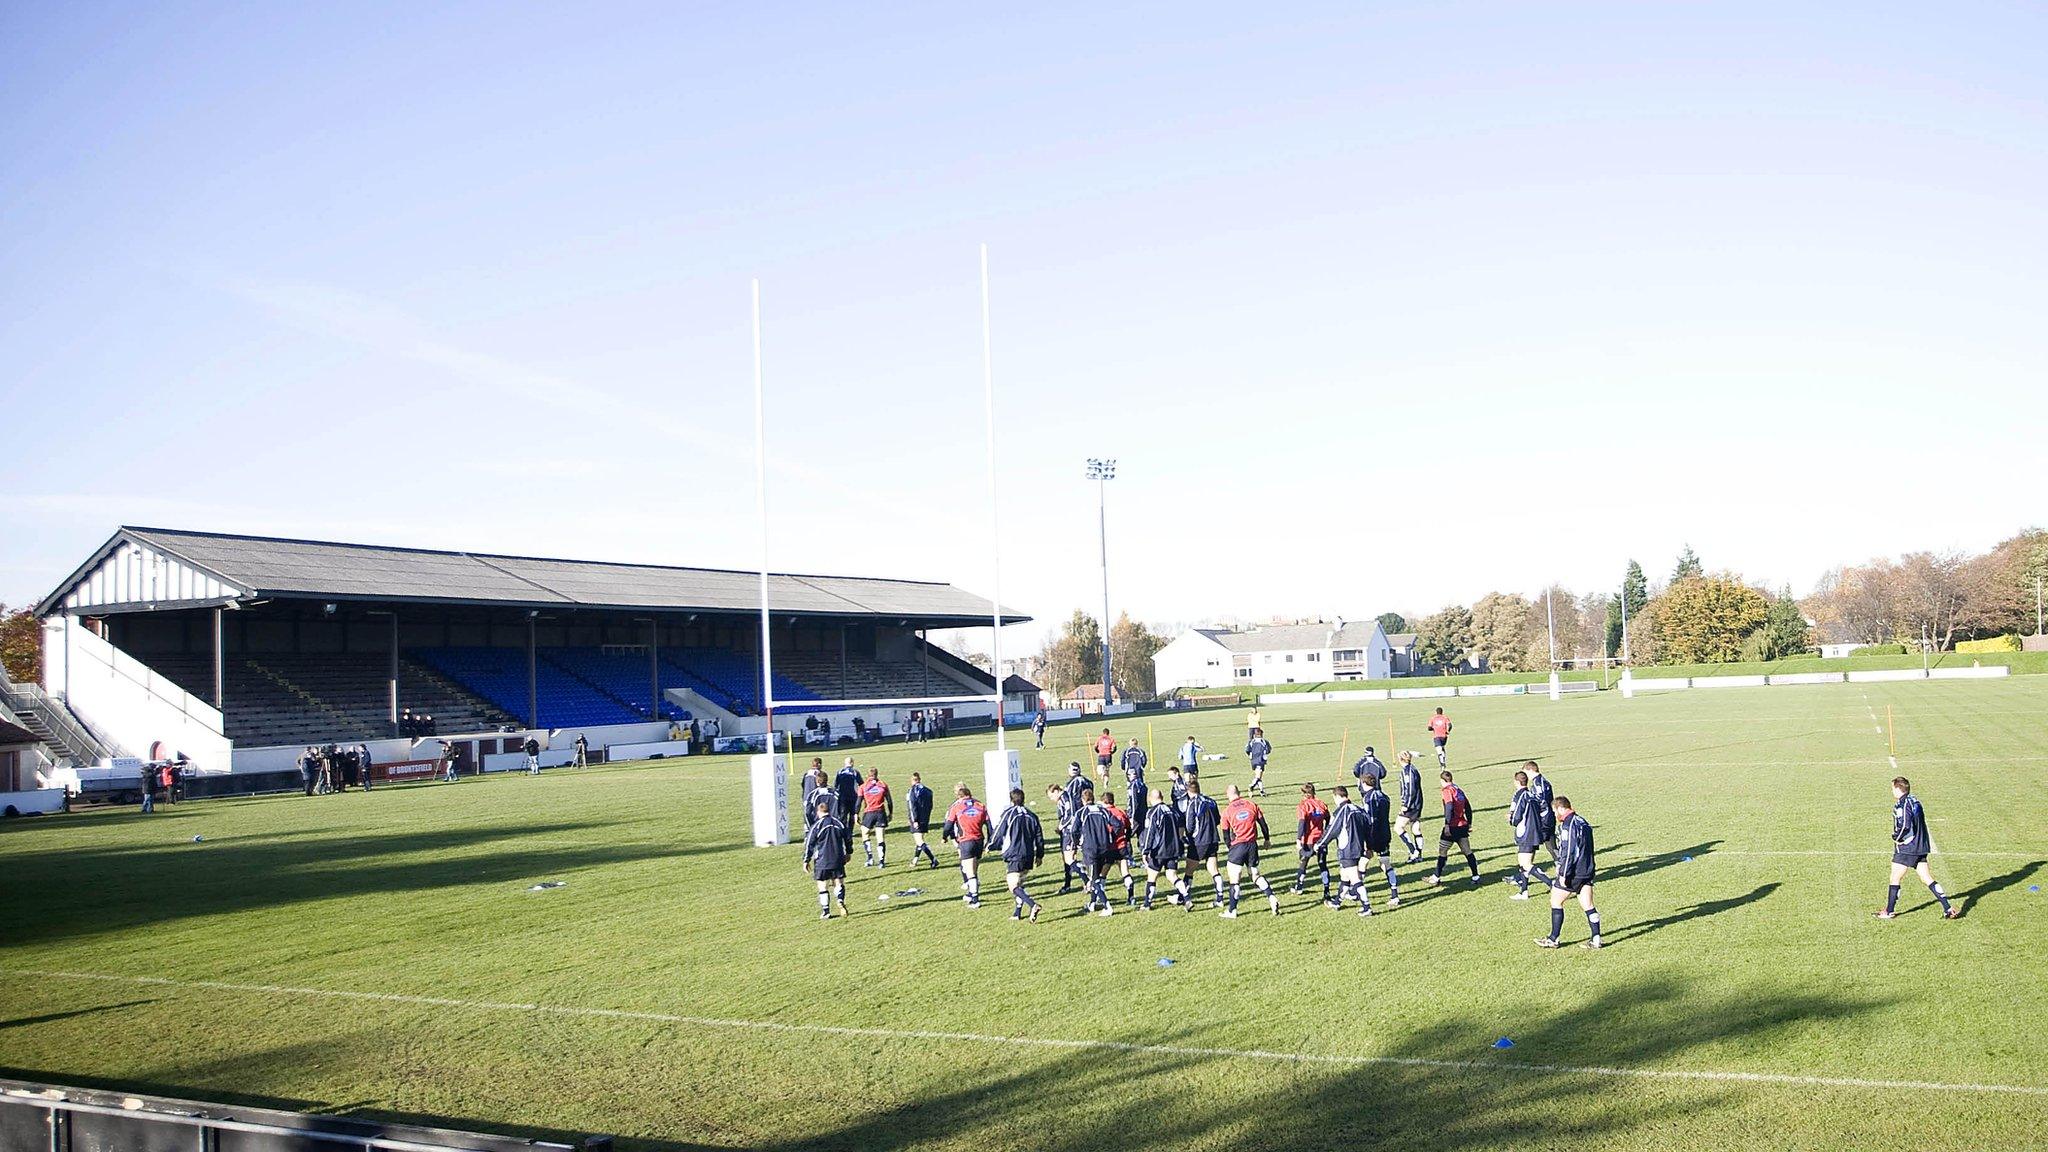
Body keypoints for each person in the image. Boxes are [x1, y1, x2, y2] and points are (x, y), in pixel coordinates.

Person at [1879, 777, 1958, 920]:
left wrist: (1897, 837)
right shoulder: (1915, 800)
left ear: (1898, 789)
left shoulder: (1903, 804)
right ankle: (1948, 907)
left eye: (1892, 788)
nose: (1892, 791)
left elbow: (1905, 825)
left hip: (1908, 847)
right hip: (1921, 845)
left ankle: (1889, 911)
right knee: (1926, 877)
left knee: (1895, 877)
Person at [1538, 795, 1602, 949]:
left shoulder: (1568, 826)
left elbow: (1569, 853)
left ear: (1561, 808)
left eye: (1555, 812)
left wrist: (1564, 875)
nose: (1555, 815)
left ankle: (1553, 938)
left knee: (1556, 900)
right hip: (1587, 869)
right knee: (1588, 905)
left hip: (1574, 872)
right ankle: (1596, 939)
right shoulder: (1582, 821)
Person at [1218, 784, 1280, 918]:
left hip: (1238, 847)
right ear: (1239, 792)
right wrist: (1267, 839)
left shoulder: (1227, 811)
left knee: (1234, 880)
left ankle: (1232, 910)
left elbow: (1226, 836)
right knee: (1255, 876)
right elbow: (1263, 824)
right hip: (1252, 845)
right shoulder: (1251, 804)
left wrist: (1231, 849)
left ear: (1227, 794)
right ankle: (1271, 897)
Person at [988, 787, 1046, 922]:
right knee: (1020, 884)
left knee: (1013, 886)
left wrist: (990, 845)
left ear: (1011, 800)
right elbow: (1039, 837)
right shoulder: (1032, 815)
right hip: (1029, 854)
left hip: (1015, 854)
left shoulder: (1009, 813)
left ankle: (1033, 905)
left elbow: (999, 831)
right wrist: (1040, 855)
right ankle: (1017, 913)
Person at [1071, 788, 1123, 916]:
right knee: (1097, 878)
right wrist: (1110, 837)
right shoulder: (1103, 810)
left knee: (1093, 880)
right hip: (1105, 847)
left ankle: (1107, 906)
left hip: (1090, 849)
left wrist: (1077, 843)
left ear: (1083, 800)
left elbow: (1073, 831)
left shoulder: (1081, 813)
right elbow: (1118, 825)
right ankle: (1092, 904)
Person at [1321, 786, 1370, 915]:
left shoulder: (1341, 811)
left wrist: (1320, 844)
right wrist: (1369, 845)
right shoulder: (1359, 809)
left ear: (1336, 797)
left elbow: (1332, 830)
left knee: (1355, 879)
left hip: (1347, 850)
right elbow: (1368, 827)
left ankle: (1367, 907)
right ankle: (1337, 902)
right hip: (1359, 847)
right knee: (1345, 876)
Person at [1426, 770, 1480, 887]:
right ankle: (1476, 876)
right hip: (1462, 825)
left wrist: (1447, 824)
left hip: (1453, 827)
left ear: (1442, 781)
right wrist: (1469, 823)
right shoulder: (1458, 789)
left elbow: (1449, 807)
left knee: (1442, 851)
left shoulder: (1447, 791)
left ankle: (1436, 877)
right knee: (1467, 851)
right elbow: (1468, 807)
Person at [1139, 788, 1190, 910]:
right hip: (1173, 849)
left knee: (1152, 877)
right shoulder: (1172, 810)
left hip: (1159, 851)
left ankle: (1147, 903)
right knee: (1172, 875)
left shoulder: (1153, 813)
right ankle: (1187, 898)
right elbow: (1181, 826)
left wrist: (1145, 850)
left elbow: (1150, 833)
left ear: (1151, 798)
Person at [801, 799, 852, 921]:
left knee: (823, 886)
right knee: (838, 882)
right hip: (838, 858)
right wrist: (849, 852)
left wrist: (806, 860)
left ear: (819, 812)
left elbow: (810, 844)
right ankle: (840, 900)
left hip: (822, 861)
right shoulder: (838, 823)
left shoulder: (817, 826)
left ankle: (826, 911)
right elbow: (848, 838)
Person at [942, 784, 991, 908]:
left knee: (969, 871)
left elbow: (948, 825)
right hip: (979, 841)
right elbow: (990, 826)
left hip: (966, 841)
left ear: (960, 797)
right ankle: (970, 893)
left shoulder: (957, 807)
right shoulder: (981, 806)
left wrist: (944, 837)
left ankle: (975, 899)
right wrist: (989, 841)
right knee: (974, 868)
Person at [1179, 774, 1225, 909]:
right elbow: (1217, 819)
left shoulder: (1192, 804)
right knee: (1213, 869)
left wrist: (1188, 837)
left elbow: (1189, 825)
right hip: (1213, 839)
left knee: (1189, 870)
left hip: (1199, 841)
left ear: (1188, 791)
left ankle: (1184, 897)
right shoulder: (1211, 801)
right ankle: (1220, 898)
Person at [1507, 770, 1547, 900]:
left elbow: (1517, 815)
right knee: (1523, 864)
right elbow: (1542, 808)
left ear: (1516, 782)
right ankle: (1524, 892)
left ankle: (1551, 884)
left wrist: (1511, 819)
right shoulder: (1532, 794)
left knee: (1526, 864)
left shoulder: (1521, 795)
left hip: (1526, 834)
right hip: (1535, 832)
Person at [1293, 782, 1332, 900]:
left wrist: (1299, 839)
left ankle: (1299, 886)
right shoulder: (1322, 804)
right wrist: (1325, 832)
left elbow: (1302, 822)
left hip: (1308, 840)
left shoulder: (1303, 805)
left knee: (1303, 863)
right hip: (1320, 839)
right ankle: (1326, 890)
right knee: (1323, 865)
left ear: (1304, 794)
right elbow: (1328, 819)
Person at [1100, 789, 1137, 906]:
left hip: (1110, 848)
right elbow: (1129, 828)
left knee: (1103, 874)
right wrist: (1126, 839)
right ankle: (1131, 897)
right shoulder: (1121, 812)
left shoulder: (1104, 814)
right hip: (1122, 846)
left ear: (1104, 802)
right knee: (1125, 873)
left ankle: (1098, 898)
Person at [1059, 762, 1091, 892]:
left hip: (1074, 823)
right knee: (1085, 853)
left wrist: (1063, 823)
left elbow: (1070, 807)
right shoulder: (1088, 782)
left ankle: (1073, 883)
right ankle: (1088, 879)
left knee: (1068, 855)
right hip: (1088, 820)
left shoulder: (1070, 785)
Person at [857, 768, 893, 868]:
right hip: (880, 813)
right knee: (880, 837)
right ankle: (881, 861)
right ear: (877, 774)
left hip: (869, 813)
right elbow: (889, 801)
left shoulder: (863, 786)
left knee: (865, 833)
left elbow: (858, 802)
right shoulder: (883, 785)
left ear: (868, 775)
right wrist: (890, 813)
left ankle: (870, 858)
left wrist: (856, 814)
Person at [1394, 751, 1425, 863]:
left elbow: (1410, 789)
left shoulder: (1407, 772)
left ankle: (1413, 851)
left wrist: (1405, 805)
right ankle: (1419, 855)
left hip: (1411, 805)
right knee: (1415, 828)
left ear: (1401, 759)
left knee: (1398, 827)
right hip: (1417, 803)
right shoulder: (1413, 769)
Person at [1121, 740, 1149, 860]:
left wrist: (1131, 816)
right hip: (1143, 812)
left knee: (1126, 836)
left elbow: (1133, 802)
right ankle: (1145, 858)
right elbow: (1144, 761)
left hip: (1135, 815)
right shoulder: (1143, 785)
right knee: (1142, 836)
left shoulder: (1132, 786)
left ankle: (1129, 858)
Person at [906, 772, 940, 868]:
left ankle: (933, 859)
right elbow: (930, 805)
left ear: (912, 780)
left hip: (917, 819)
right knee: (920, 840)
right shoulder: (927, 790)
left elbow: (912, 807)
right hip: (925, 818)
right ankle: (915, 860)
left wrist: (914, 820)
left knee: (919, 841)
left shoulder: (912, 791)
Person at [1527, 762, 1557, 863]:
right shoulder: (1543, 781)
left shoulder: (1538, 784)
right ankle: (1563, 867)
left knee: (1530, 846)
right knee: (1551, 847)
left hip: (1543, 820)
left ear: (1531, 770)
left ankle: (1524, 873)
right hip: (1549, 818)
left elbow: (1542, 802)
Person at [833, 757, 862, 829]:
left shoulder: (840, 771)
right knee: (852, 815)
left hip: (842, 797)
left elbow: (836, 785)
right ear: (852, 763)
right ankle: (850, 831)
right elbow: (861, 784)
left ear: (845, 763)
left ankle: (843, 831)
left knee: (843, 815)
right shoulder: (855, 772)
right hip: (853, 797)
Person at [800, 758, 828, 830]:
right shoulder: (818, 774)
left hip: (806, 797)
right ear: (819, 764)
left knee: (807, 814)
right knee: (817, 814)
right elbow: (820, 784)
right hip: (814, 797)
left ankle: (807, 828)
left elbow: (802, 785)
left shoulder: (806, 773)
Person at [1245, 729, 1272, 797]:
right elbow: (1268, 750)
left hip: (1253, 761)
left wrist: (1251, 756)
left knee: (1258, 776)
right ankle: (1251, 786)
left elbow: (1247, 750)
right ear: (1261, 734)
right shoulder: (1264, 741)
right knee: (1258, 777)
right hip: (1260, 760)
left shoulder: (1251, 741)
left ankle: (1262, 791)